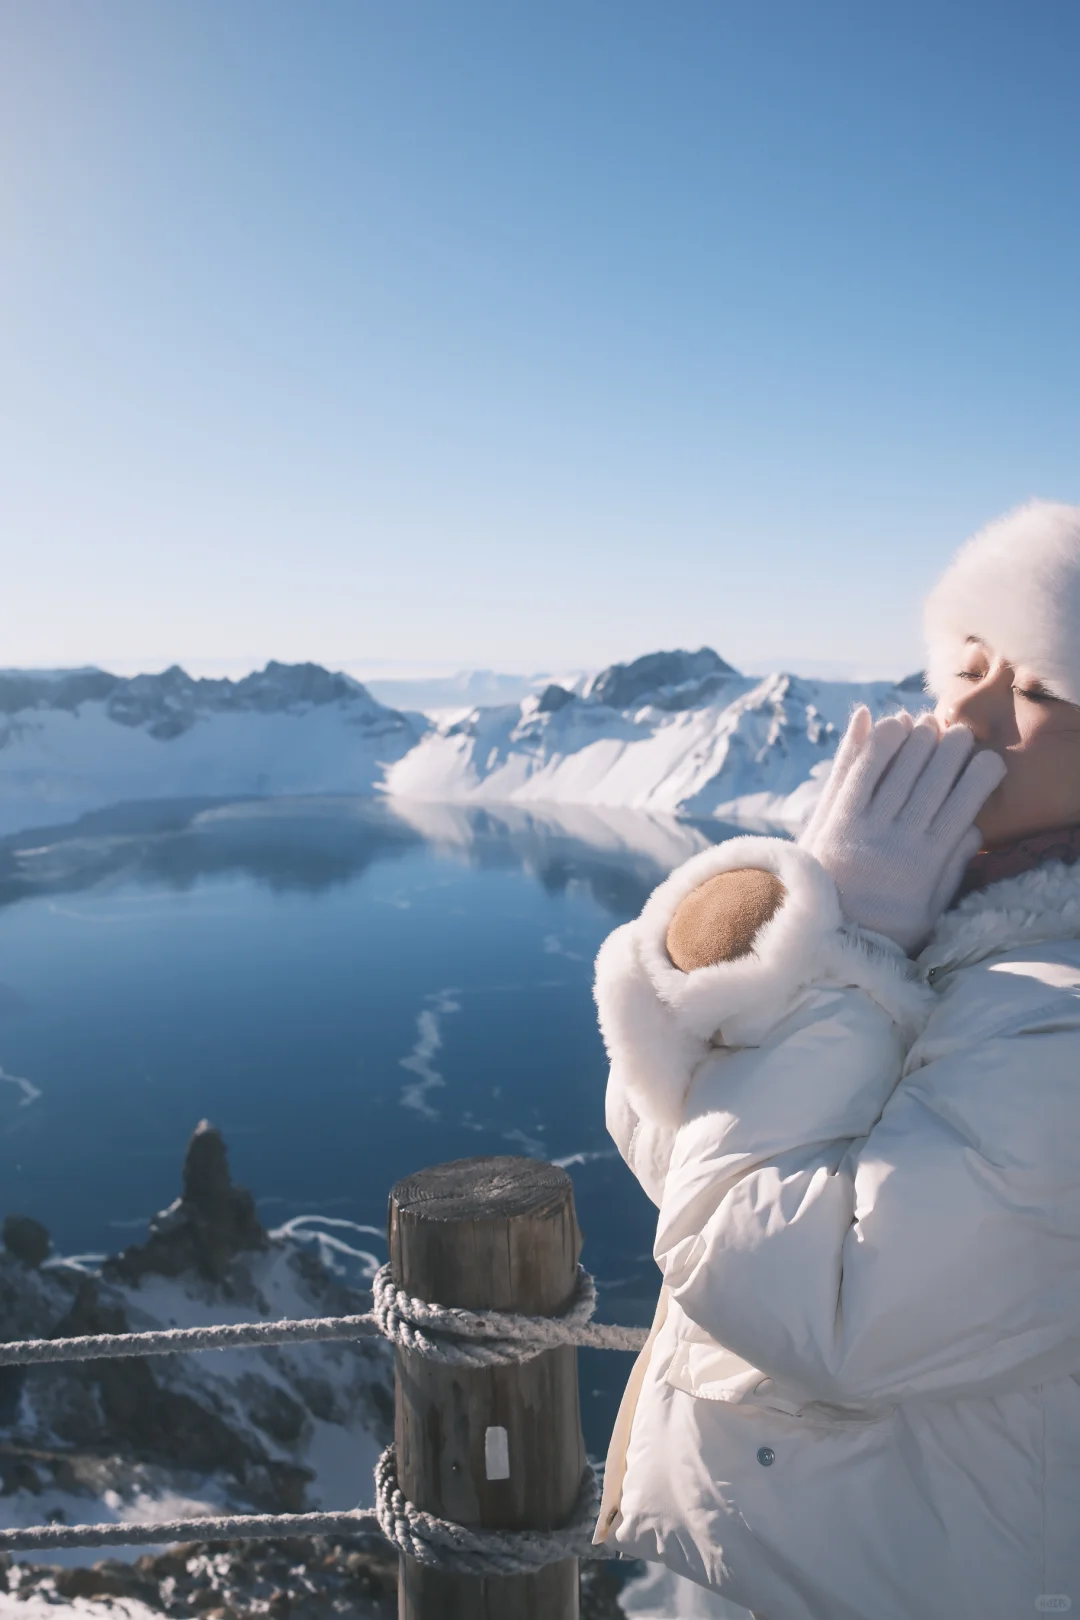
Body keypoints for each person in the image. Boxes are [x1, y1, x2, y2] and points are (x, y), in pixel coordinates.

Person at [591, 499, 1080, 1620]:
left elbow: (826, 1308)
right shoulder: (944, 918)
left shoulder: (1058, 1019)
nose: (974, 703)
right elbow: (666, 1135)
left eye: (1046, 689)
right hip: (786, 1561)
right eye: (965, 661)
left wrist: (835, 959)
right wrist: (815, 928)